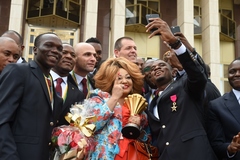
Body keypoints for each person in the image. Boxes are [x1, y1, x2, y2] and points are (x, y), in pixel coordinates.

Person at [146, 17, 217, 159]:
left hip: (195, 154)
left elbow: (198, 75)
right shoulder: (149, 103)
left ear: (173, 71)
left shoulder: (185, 85)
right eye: (152, 68)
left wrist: (175, 43)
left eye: (161, 65)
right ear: (150, 80)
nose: (156, 68)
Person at [0, 32, 63, 160]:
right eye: (49, 45)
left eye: (59, 49)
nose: (55, 51)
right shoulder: (19, 71)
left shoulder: (53, 86)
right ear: (35, 50)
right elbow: (2, 119)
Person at [86, 57, 151, 159]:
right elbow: (93, 125)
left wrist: (140, 123)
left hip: (134, 155)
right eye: (119, 78)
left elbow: (146, 138)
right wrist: (115, 97)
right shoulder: (98, 99)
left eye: (128, 77)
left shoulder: (137, 102)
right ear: (110, 81)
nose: (125, 81)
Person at [207, 57, 240, 160]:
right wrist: (230, 148)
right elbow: (216, 144)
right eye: (232, 72)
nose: (237, 74)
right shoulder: (216, 106)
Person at [50, 43, 85, 125]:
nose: (69, 57)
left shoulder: (78, 94)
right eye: (64, 52)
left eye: (73, 55)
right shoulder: (40, 80)